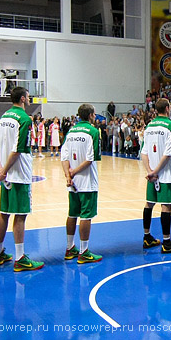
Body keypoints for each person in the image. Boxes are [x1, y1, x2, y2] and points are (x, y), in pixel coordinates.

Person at [0, 86, 44, 271]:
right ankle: (20, 257)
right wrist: (5, 170)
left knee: (4, 212)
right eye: (28, 97)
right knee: (20, 215)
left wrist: (0, 168)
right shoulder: (24, 119)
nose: (29, 99)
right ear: (22, 99)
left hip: (5, 173)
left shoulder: (4, 117)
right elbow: (18, 149)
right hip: (19, 173)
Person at [140, 98, 171, 253]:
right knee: (166, 206)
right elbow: (168, 153)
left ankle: (147, 237)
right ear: (167, 108)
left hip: (151, 174)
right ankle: (167, 242)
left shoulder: (149, 126)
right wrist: (156, 172)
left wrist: (149, 171)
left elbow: (144, 152)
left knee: (149, 203)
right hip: (164, 174)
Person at [62, 104, 103, 264]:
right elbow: (90, 158)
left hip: (72, 183)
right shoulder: (93, 132)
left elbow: (64, 156)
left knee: (72, 214)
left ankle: (69, 248)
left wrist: (68, 174)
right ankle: (84, 251)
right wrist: (75, 171)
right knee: (86, 216)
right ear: (92, 115)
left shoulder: (70, 131)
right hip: (86, 181)